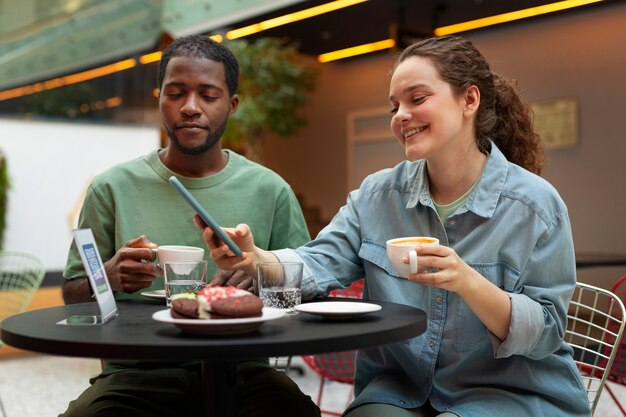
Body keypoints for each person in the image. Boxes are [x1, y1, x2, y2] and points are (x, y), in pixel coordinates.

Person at [198, 35, 590, 417]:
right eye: (394, 106)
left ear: (469, 99)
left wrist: (466, 280)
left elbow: (546, 332)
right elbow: (319, 261)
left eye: (417, 99)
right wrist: (254, 259)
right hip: (402, 387)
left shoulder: (535, 205)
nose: (401, 115)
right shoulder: (377, 195)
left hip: (509, 393)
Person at [60, 34, 320, 417]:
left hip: (245, 371)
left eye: (208, 96)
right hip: (135, 376)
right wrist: (109, 277)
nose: (190, 108)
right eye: (176, 92)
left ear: (231, 105)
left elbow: (306, 291)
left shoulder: (270, 189)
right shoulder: (112, 187)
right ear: (160, 98)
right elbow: (71, 293)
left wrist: (263, 280)